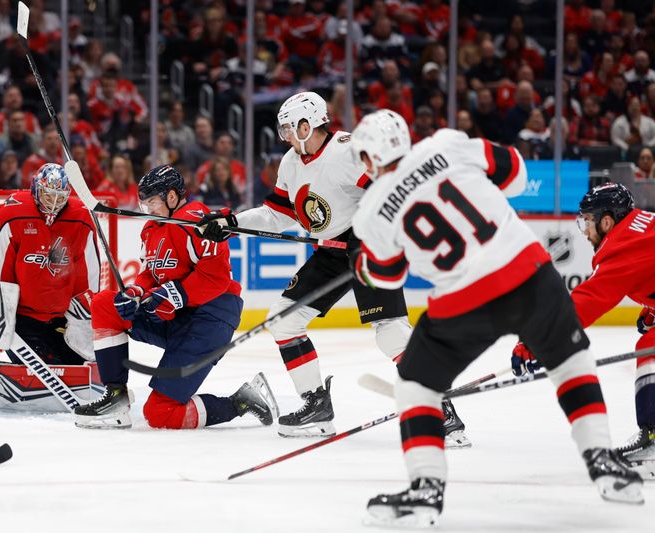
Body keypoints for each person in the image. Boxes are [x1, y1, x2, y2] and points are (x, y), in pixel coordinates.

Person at [347, 110, 642, 526]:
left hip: (462, 299)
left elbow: (385, 276)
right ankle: (602, 460)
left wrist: (362, 265)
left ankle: (425, 490)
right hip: (529, 275)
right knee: (570, 363)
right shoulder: (446, 145)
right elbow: (516, 175)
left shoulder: (372, 210)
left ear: (372, 157)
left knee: (416, 385)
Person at [195, 92, 424, 441]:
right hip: (333, 251)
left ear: (307, 124)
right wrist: (230, 223)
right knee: (284, 318)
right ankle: (316, 406)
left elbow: (390, 191)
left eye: (288, 128)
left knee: (389, 330)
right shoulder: (290, 162)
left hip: (369, 244)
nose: (284, 135)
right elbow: (276, 214)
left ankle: (438, 409)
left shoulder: (347, 151)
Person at [74, 165, 278, 430]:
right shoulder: (150, 229)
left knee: (161, 413)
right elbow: (150, 273)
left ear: (172, 197)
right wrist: (137, 292)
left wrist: (176, 293)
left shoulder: (197, 220)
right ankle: (115, 394)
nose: (148, 210)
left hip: (210, 320)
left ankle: (242, 401)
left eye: (153, 203)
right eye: (144, 204)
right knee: (105, 304)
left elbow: (216, 278)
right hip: (175, 315)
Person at [511, 182, 655, 480]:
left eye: (588, 221)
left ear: (606, 220)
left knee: (651, 350)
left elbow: (586, 301)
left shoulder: (623, 246)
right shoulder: (643, 224)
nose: (584, 229)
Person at [0, 163, 100, 367]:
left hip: (62, 319)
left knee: (78, 367)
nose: (54, 203)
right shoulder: (13, 213)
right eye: (49, 195)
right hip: (23, 321)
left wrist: (85, 318)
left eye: (60, 197)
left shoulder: (81, 219)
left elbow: (89, 274)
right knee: (48, 373)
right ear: (35, 189)